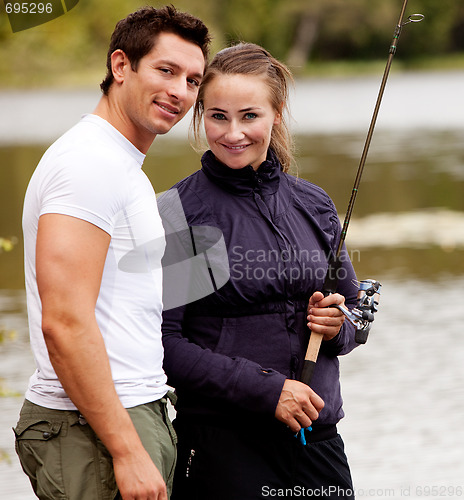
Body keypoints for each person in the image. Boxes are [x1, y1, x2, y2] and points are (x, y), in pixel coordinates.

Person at [14, 6, 210, 500]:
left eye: (192, 80)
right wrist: (126, 450)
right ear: (121, 66)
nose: (180, 92)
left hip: (126, 413)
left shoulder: (121, 165)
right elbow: (64, 322)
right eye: (166, 71)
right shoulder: (89, 165)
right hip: (92, 429)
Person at [161, 43, 360, 499]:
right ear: (200, 115)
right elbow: (167, 346)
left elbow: (354, 316)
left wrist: (336, 327)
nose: (233, 133)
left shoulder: (313, 204)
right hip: (226, 447)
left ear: (277, 112)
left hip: (319, 444)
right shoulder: (184, 213)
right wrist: (268, 391)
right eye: (217, 116)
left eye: (249, 116)